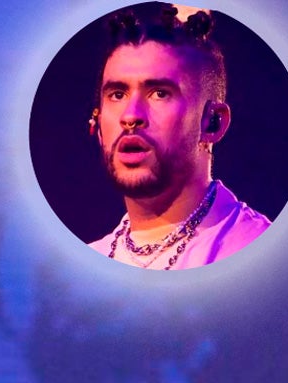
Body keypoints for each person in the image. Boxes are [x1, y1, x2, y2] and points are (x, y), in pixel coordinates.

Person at [87, 4, 271, 270]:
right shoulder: (85, 265)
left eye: (160, 93)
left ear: (213, 122)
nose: (130, 116)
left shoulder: (264, 256)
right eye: (117, 94)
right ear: (97, 124)